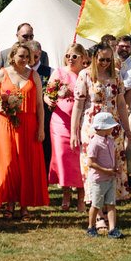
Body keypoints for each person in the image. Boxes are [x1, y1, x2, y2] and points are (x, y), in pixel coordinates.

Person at [0, 41, 48, 219]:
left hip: (29, 124)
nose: (24, 59)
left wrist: (41, 128)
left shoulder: (34, 75)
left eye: (27, 56)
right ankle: (9, 203)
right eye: (21, 56)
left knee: (26, 164)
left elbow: (39, 104)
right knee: (8, 163)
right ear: (13, 56)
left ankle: (24, 206)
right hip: (6, 123)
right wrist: (1, 107)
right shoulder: (2, 73)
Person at [44, 48, 82, 210]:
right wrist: (49, 100)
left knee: (79, 158)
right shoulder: (58, 72)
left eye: (74, 56)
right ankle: (66, 194)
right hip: (60, 122)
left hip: (80, 122)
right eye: (67, 56)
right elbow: (47, 93)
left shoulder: (85, 73)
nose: (70, 59)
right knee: (63, 157)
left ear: (82, 57)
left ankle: (81, 197)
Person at [84, 111, 124, 238]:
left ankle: (112, 229)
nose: (112, 129)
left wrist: (115, 167)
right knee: (96, 205)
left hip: (110, 178)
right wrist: (106, 170)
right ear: (103, 127)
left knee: (111, 204)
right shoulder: (95, 142)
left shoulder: (110, 141)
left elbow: (114, 156)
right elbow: (90, 163)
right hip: (99, 180)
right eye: (110, 126)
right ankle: (91, 227)